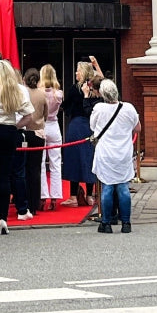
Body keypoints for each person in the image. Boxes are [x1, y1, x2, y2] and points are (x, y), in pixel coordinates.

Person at [0, 60, 35, 235]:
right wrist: (16, 126)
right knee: (5, 175)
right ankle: (4, 219)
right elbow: (29, 115)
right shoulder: (15, 90)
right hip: (8, 132)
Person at [91, 78, 140, 234]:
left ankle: (106, 223)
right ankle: (126, 223)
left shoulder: (99, 108)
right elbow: (137, 128)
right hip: (123, 152)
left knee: (107, 187)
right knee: (123, 187)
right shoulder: (129, 108)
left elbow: (92, 126)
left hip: (105, 153)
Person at [61, 58, 101, 207]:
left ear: (83, 72)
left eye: (78, 70)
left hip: (77, 125)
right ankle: (90, 195)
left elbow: (65, 106)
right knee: (89, 158)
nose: (76, 73)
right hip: (91, 127)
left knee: (74, 159)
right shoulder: (96, 90)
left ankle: (73, 197)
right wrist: (97, 66)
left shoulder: (75, 88)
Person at [19, 68, 47, 220]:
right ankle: (34, 203)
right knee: (35, 169)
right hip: (38, 132)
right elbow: (46, 114)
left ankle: (23, 201)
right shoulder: (42, 94)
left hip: (26, 132)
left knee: (23, 168)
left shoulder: (23, 93)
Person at [38, 63, 64, 210]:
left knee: (41, 163)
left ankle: (43, 196)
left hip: (42, 125)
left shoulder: (39, 92)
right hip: (54, 126)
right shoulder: (58, 94)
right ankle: (55, 196)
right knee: (55, 163)